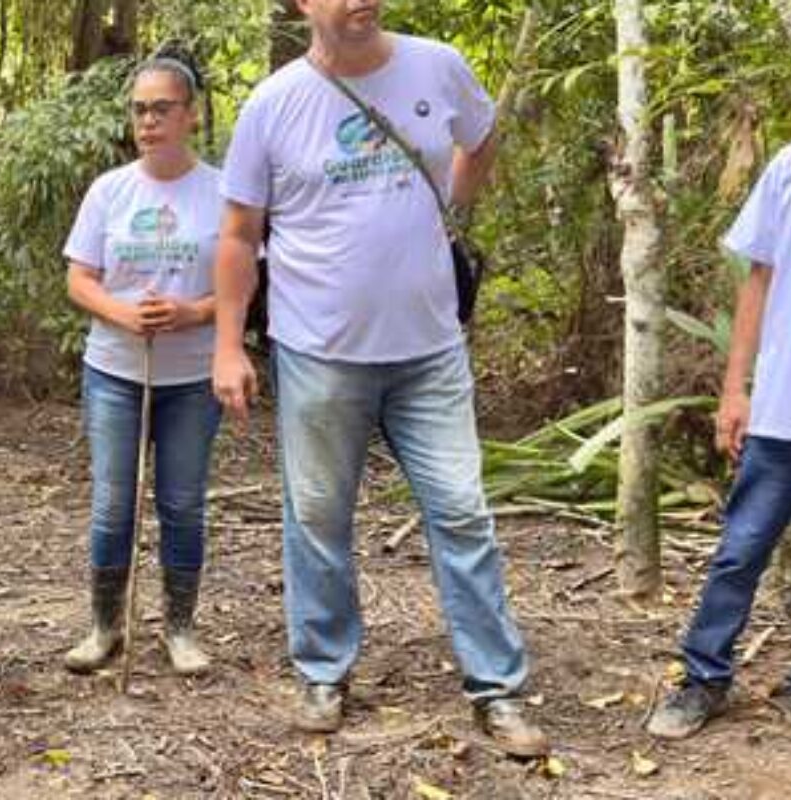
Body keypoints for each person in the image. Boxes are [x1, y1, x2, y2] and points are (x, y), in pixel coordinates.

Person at [210, 0, 549, 756]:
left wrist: (453, 210)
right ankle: (324, 670)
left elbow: (481, 138)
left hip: (429, 347)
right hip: (319, 351)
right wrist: (228, 345)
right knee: (319, 518)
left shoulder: (438, 66)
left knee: (462, 511)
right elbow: (238, 235)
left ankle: (496, 687)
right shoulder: (273, 104)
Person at [645, 133, 791, 751]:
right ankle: (703, 677)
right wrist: (734, 389)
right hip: (785, 407)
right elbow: (759, 281)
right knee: (740, 551)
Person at [61, 50, 222, 677]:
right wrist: (121, 314)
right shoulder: (111, 190)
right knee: (112, 503)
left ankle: (180, 628)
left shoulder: (221, 190)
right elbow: (80, 279)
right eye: (139, 110)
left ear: (190, 115)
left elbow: (243, 288)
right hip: (114, 371)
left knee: (182, 502)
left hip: (191, 378)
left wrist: (193, 312)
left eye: (162, 109)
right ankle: (105, 626)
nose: (148, 121)